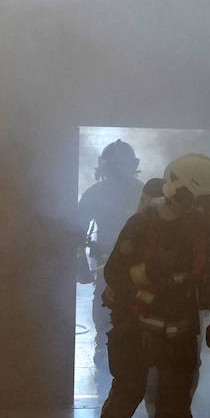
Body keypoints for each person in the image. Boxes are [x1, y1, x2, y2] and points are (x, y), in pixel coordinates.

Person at [89, 153, 210, 418]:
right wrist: (151, 279)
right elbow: (114, 274)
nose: (209, 208)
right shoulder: (142, 224)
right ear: (184, 193)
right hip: (136, 330)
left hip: (180, 333)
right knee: (126, 396)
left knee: (175, 407)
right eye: (205, 200)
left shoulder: (205, 236)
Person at [78, 140, 144, 395]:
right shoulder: (97, 194)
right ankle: (109, 382)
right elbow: (77, 231)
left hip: (140, 271)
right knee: (106, 322)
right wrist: (80, 263)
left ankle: (123, 380)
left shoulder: (143, 195)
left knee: (134, 321)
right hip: (111, 270)